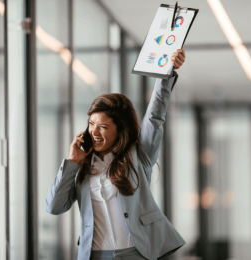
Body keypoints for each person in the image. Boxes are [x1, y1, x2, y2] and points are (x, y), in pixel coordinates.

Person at [46, 49, 186, 260]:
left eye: (103, 126)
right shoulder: (81, 166)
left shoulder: (139, 156)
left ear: (120, 131)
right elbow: (54, 207)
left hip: (136, 254)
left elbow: (155, 116)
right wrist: (72, 162)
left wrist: (168, 72)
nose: (94, 132)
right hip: (95, 255)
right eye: (91, 124)